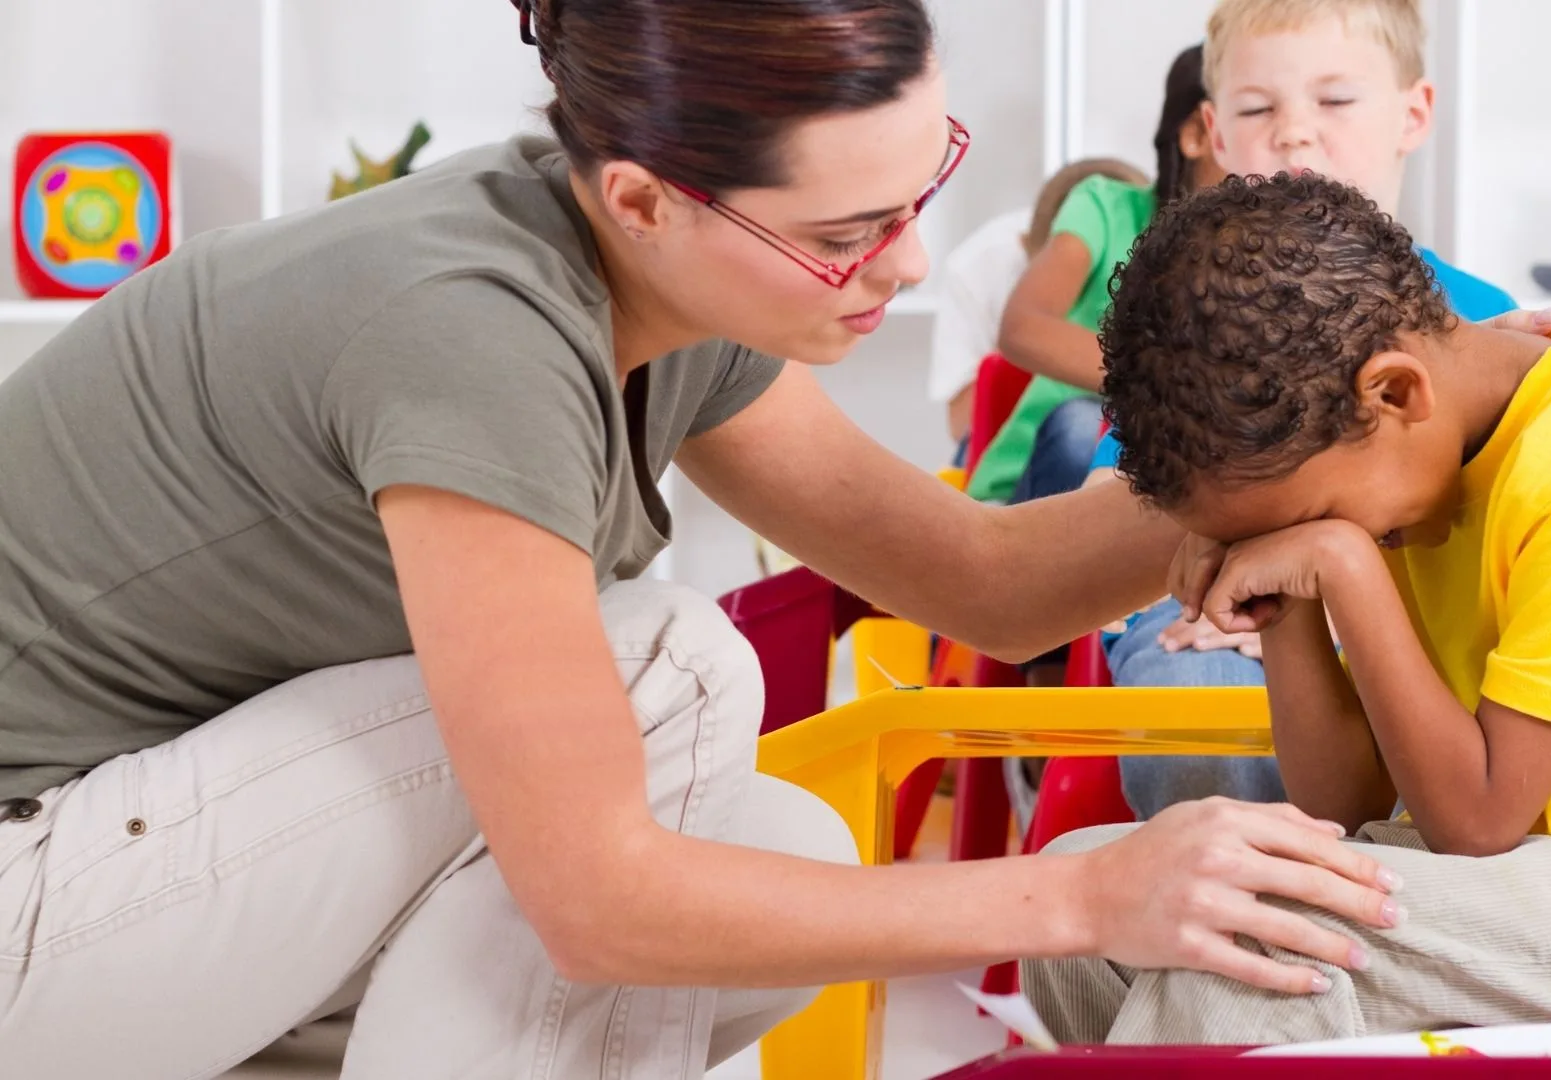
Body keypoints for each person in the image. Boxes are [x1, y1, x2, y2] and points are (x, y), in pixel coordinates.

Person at [0, 3, 1412, 1076]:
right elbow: (594, 902)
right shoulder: (473, 333)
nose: (910, 263)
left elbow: (982, 581)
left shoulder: (658, 281)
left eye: (921, 193)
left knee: (770, 839)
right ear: (645, 201)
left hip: (171, 876)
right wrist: (1087, 894)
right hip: (34, 899)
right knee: (670, 664)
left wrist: (1297, 454)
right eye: (847, 231)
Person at [1024, 172, 1551, 1046]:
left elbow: (1479, 822)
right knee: (1084, 901)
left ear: (1395, 393)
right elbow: (1346, 804)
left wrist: (1343, 565)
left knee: (1247, 934)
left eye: (1304, 520)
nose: (1301, 541)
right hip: (1474, 874)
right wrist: (1285, 601)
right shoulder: (1403, 457)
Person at [1095, 0, 1518, 819]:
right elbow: (1123, 510)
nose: (1294, 133)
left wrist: (1342, 610)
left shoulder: (1486, 325)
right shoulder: (1185, 317)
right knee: (1199, 689)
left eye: (1335, 100)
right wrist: (1223, 595)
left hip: (1420, 627)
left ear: (1413, 114)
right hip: (1221, 622)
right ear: (1214, 133)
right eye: (1258, 109)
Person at [968, 43, 1227, 508]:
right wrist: (1174, 383)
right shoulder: (1104, 207)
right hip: (1034, 489)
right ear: (1197, 132)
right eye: (1257, 112)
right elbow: (1023, 327)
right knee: (1083, 428)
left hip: (1170, 475)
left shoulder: (1277, 256)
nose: (1290, 135)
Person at [927, 159, 1149, 462]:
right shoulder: (981, 264)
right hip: (1013, 443)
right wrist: (1041, 361)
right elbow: (961, 424)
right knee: (1080, 428)